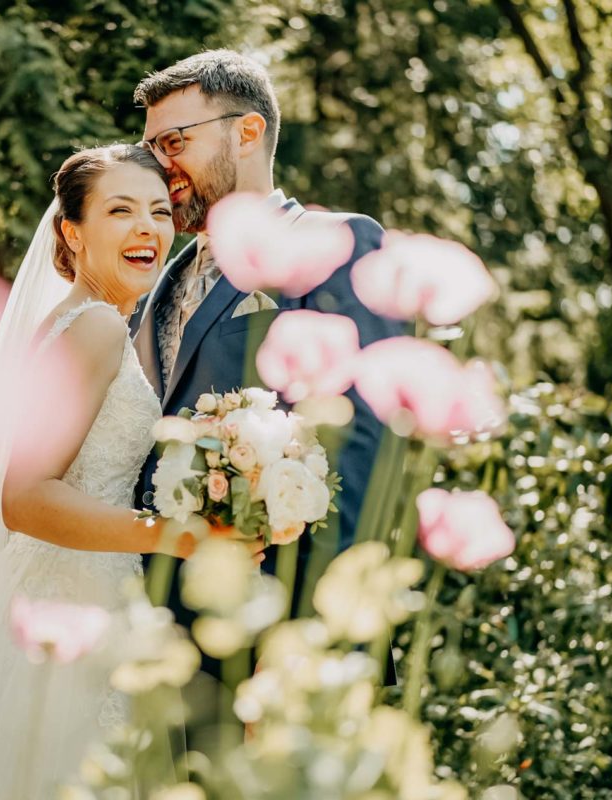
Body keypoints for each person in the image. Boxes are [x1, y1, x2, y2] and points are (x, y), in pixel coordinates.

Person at [0, 144, 259, 800]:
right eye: (120, 211)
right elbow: (25, 499)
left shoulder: (69, 326)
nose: (148, 228)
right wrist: (177, 533)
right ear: (72, 232)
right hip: (72, 607)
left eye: (157, 210)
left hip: (50, 593)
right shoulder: (95, 332)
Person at [130, 50, 405, 680]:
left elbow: (360, 448)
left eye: (173, 141)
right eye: (149, 150)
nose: (158, 166)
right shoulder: (150, 283)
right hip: (159, 641)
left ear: (247, 131)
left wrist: (312, 646)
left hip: (276, 640)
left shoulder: (337, 244)